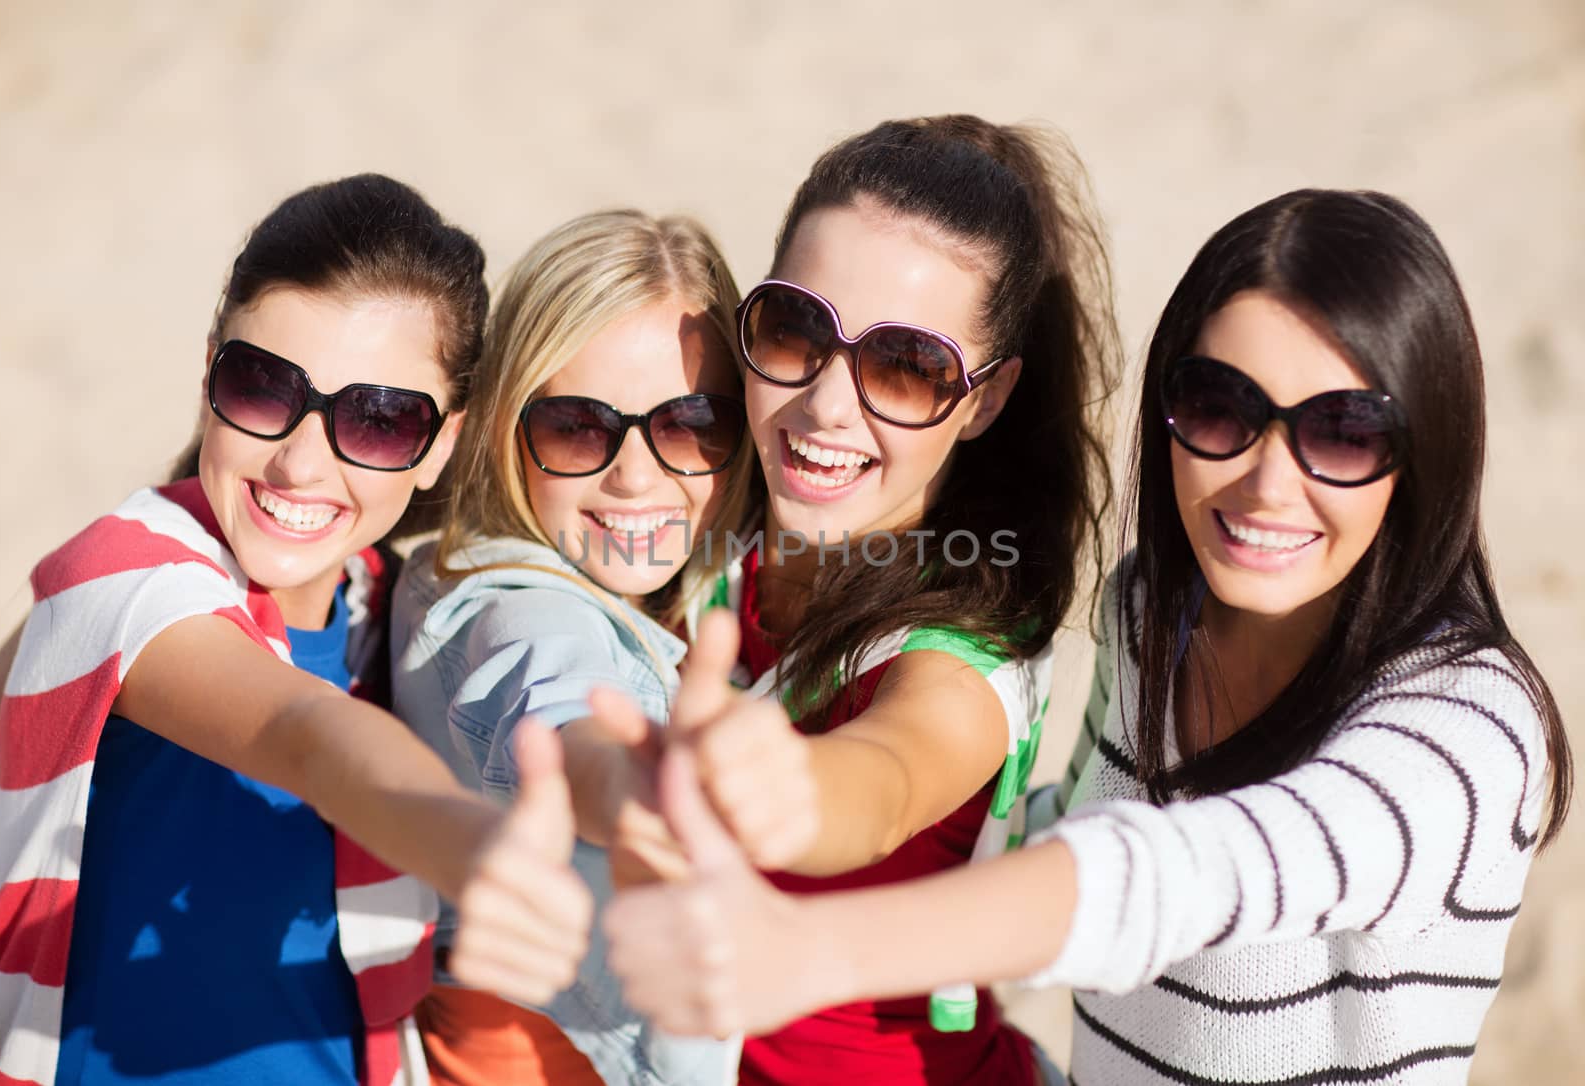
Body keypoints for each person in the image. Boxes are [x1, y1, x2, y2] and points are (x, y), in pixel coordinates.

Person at [601, 189, 1574, 1086]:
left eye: (1343, 432)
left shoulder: (1470, 726)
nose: (1267, 483)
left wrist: (809, 951)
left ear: (1426, 452)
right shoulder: (1152, 608)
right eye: (1218, 408)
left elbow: (1179, 875)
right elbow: (1067, 828)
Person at [0, 174, 593, 1086]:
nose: (301, 463)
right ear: (208, 375)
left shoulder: (395, 610)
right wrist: (467, 843)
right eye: (263, 387)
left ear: (442, 447)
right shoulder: (124, 578)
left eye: (380, 420)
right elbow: (304, 736)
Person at [588, 115, 1118, 1083]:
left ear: (986, 400)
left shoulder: (959, 656)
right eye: (795, 331)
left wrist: (790, 791)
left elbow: (881, 782)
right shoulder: (704, 508)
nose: (828, 405)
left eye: (906, 369)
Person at [391, 209, 763, 1085]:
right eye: (576, 427)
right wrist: (629, 779)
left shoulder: (693, 588)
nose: (635, 474)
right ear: (500, 431)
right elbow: (552, 703)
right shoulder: (512, 608)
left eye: (689, 423)